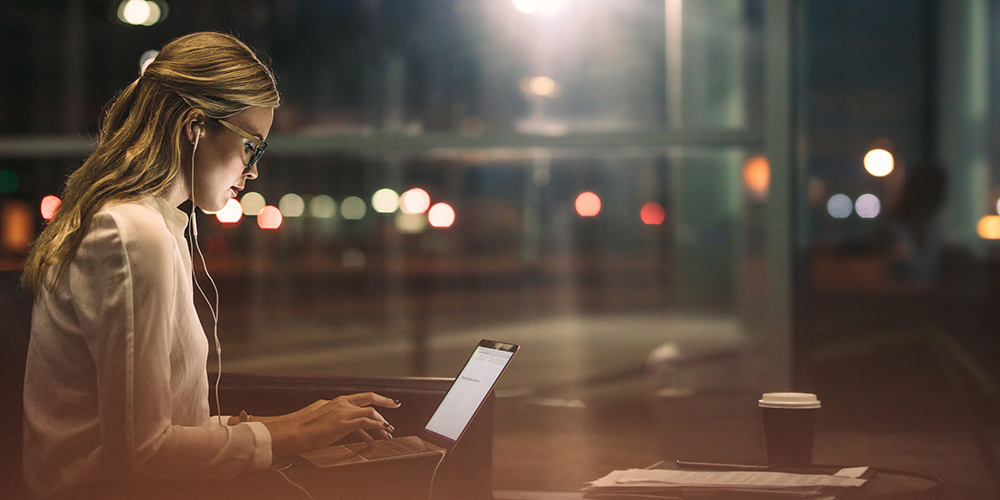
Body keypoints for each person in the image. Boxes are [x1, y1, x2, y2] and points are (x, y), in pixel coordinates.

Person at [20, 32, 399, 499]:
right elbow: (145, 454)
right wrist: (298, 433)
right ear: (195, 126)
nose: (253, 170)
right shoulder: (132, 234)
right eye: (250, 146)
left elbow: (167, 429)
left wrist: (300, 422)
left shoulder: (152, 225)